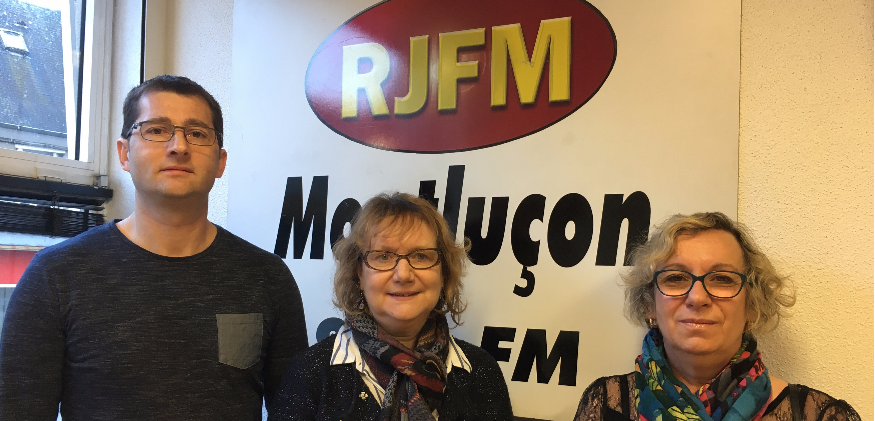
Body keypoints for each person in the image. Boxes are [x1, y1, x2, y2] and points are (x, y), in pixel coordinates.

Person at [0, 75, 308, 420]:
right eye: (156, 130)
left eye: (197, 134)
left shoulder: (267, 278)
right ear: (124, 153)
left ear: (220, 161)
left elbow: (296, 413)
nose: (179, 146)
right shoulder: (55, 275)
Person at [573, 212, 860, 421]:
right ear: (650, 304)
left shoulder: (819, 414)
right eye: (675, 278)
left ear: (752, 305)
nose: (697, 297)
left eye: (722, 279)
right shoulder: (605, 403)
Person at [270, 192, 513, 420]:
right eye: (383, 256)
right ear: (359, 273)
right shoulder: (310, 373)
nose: (403, 275)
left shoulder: (481, 371)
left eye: (421, 256)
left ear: (443, 272)